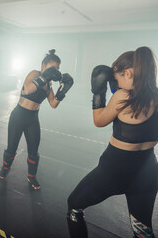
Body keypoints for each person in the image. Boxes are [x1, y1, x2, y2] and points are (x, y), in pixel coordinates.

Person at [67, 46, 158, 238]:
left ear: (128, 72)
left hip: (113, 172)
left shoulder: (122, 97)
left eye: (118, 78)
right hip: (148, 173)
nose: (117, 83)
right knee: (143, 232)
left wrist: (98, 92)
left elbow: (99, 121)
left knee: (74, 206)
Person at [0, 49, 74, 190]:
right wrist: (44, 77)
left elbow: (53, 104)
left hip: (33, 118)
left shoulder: (49, 85)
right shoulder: (34, 74)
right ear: (43, 65)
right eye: (53, 68)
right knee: (11, 148)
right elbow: (27, 90)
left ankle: (31, 177)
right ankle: (5, 168)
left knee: (34, 151)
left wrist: (63, 91)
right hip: (19, 115)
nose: (55, 71)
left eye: (57, 68)